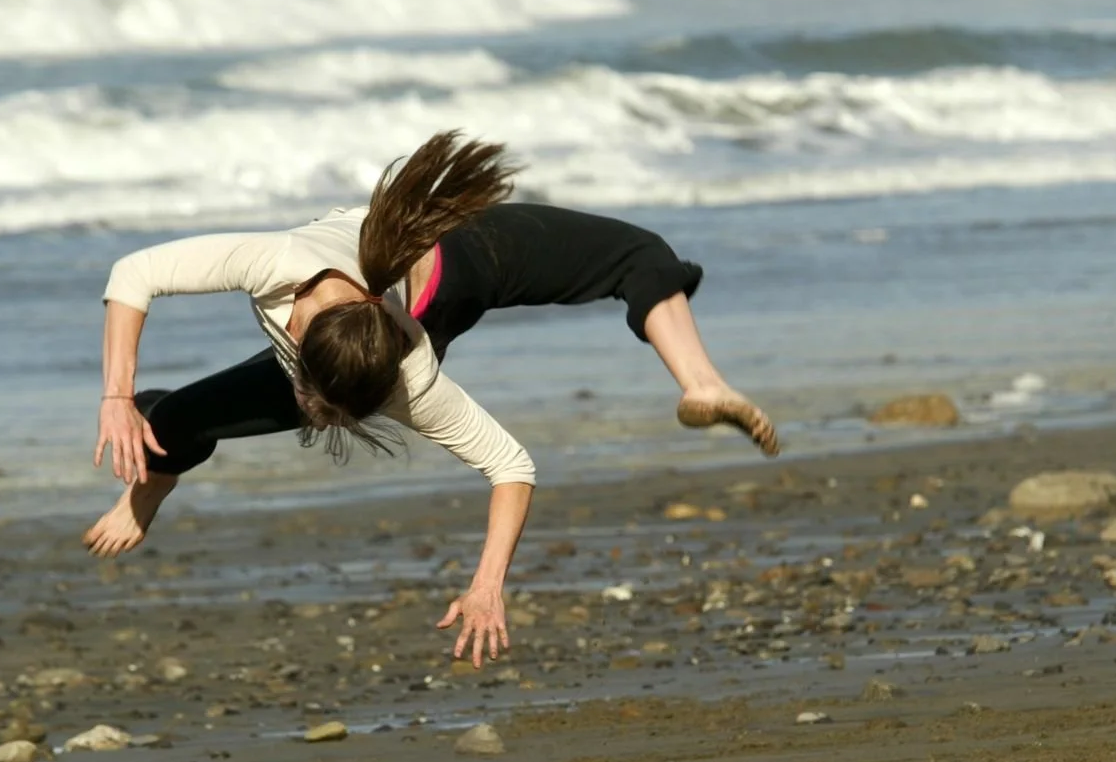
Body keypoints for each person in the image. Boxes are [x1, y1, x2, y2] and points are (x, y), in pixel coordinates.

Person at [86, 131, 778, 666]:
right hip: (397, 294)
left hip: (464, 262)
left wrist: (488, 585)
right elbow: (135, 273)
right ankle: (151, 488)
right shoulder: (275, 261)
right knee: (167, 417)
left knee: (638, 253)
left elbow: (511, 466)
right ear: (296, 344)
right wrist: (116, 395)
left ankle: (703, 386)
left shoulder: (408, 376)